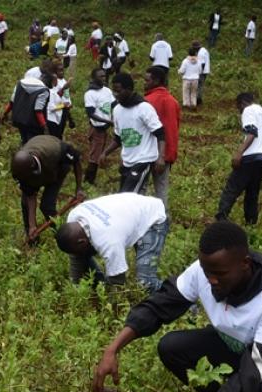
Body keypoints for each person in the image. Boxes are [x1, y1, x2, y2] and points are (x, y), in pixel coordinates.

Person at [92, 221, 262, 392]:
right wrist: (112, 349)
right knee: (171, 347)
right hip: (234, 345)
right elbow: (160, 305)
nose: (211, 280)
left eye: (220, 274)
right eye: (207, 272)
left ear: (245, 264)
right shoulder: (203, 271)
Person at [55, 193, 168, 292]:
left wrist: (109, 304)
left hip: (152, 217)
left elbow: (117, 281)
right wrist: (75, 289)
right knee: (81, 255)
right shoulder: (73, 217)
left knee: (145, 282)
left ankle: (177, 295)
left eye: (76, 250)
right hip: (129, 210)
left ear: (82, 241)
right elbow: (76, 260)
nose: (75, 255)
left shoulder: (109, 241)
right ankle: (99, 283)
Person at [215, 93, 262, 225]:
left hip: (250, 156)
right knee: (252, 192)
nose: (239, 111)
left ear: (242, 103)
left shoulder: (248, 110)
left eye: (238, 107)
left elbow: (251, 132)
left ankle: (221, 218)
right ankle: (251, 222)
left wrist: (239, 153)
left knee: (232, 188)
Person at [98, 73, 166, 194]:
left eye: (118, 91)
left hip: (143, 160)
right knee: (125, 195)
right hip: (127, 161)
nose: (115, 94)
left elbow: (160, 133)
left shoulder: (144, 108)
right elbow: (118, 138)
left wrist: (161, 157)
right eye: (114, 91)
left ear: (129, 89)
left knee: (129, 197)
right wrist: (105, 153)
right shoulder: (117, 110)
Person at [11, 135, 84, 240]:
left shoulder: (55, 151)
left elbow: (76, 161)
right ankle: (32, 237)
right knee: (25, 204)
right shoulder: (22, 171)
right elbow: (30, 196)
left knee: (47, 206)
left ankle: (61, 235)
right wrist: (32, 225)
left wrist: (79, 189)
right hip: (38, 166)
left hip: (57, 169)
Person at [144, 66, 181, 208]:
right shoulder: (173, 101)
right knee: (162, 189)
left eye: (147, 80)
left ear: (156, 81)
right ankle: (162, 220)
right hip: (167, 152)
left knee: (141, 188)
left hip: (148, 151)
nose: (144, 83)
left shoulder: (146, 101)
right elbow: (174, 129)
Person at [83, 68, 114, 185]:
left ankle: (89, 180)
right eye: (100, 76)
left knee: (97, 152)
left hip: (104, 127)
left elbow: (114, 104)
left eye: (104, 76)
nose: (104, 78)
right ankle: (88, 181)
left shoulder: (107, 90)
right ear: (94, 78)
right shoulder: (90, 94)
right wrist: (108, 121)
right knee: (95, 155)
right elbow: (91, 113)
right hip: (97, 128)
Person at [3, 72, 52, 144]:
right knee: (32, 143)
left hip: (19, 120)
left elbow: (12, 102)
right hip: (33, 124)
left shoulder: (20, 83)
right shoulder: (44, 90)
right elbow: (38, 110)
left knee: (24, 140)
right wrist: (45, 127)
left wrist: (5, 114)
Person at [194, 40, 210, 105]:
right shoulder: (204, 50)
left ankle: (198, 100)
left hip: (201, 72)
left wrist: (199, 72)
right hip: (205, 71)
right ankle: (199, 99)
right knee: (200, 85)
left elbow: (202, 64)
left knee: (199, 86)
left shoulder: (200, 53)